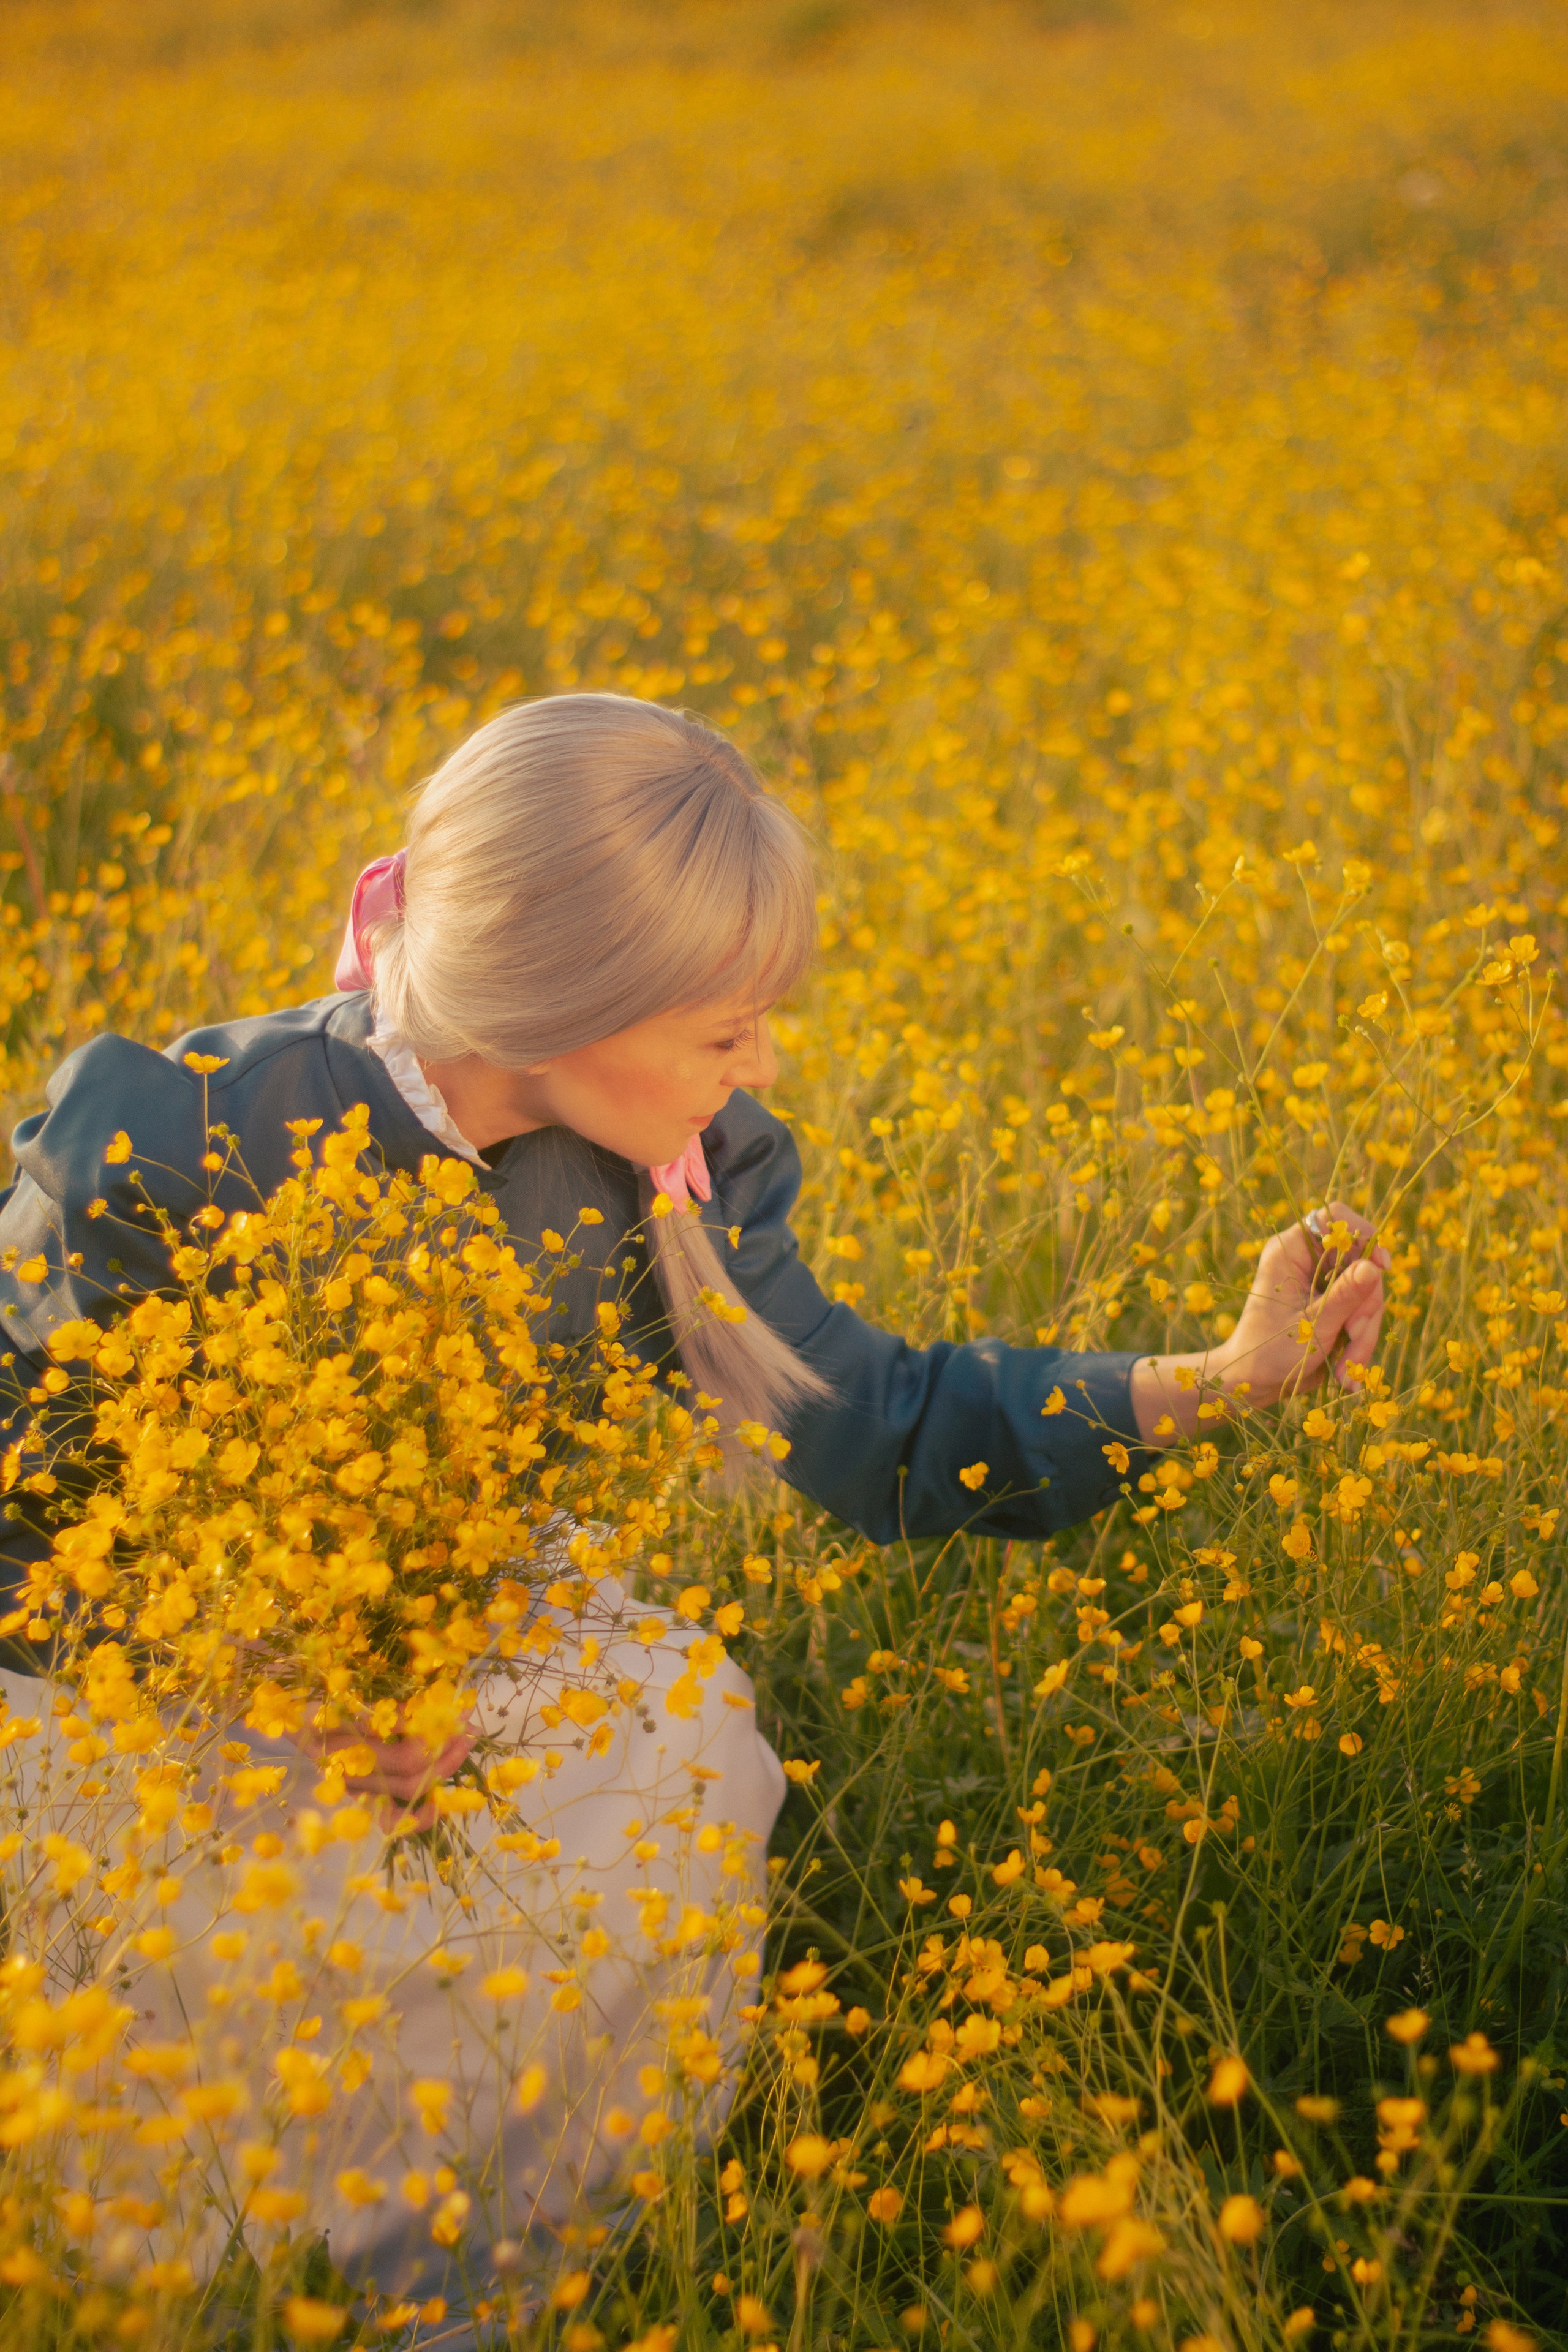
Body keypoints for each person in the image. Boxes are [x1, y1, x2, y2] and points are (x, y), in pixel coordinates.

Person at [0, 694, 1387, 2313]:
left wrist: (1222, 1377)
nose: (762, 1065)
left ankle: (456, 2288)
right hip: (108, 1684)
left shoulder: (684, 1170)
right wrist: (272, 1691)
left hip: (426, 1663)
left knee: (677, 1747)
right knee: (220, 1959)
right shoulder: (168, 1140)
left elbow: (877, 1418)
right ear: (557, 1002)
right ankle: (170, 2295)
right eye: (727, 1029)